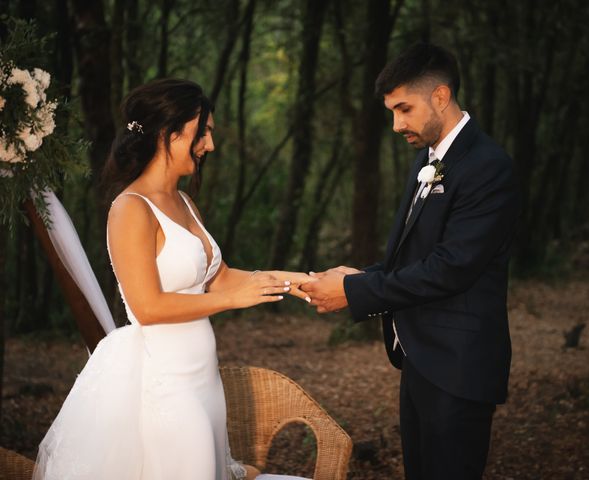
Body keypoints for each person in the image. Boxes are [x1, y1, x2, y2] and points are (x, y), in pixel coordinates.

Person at [33, 78, 312, 480]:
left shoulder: (184, 201)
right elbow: (148, 307)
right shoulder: (130, 209)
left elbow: (221, 278)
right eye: (204, 132)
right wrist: (235, 300)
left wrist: (299, 281)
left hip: (204, 382)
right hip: (165, 387)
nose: (210, 145)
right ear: (169, 133)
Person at [302, 43, 520, 479]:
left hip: (459, 368)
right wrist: (357, 276)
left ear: (440, 96)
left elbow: (450, 268)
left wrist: (353, 292)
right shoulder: (427, 159)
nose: (397, 124)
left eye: (404, 108)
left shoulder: (487, 166)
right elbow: (411, 259)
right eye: (391, 112)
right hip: (419, 357)